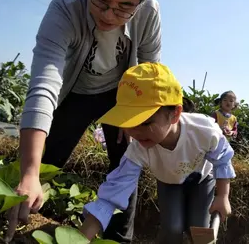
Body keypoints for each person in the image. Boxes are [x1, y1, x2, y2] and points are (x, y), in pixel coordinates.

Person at [5, 0, 160, 242]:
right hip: (76, 91)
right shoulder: (66, 7)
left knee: (127, 161)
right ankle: (17, 218)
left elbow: (151, 72)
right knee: (44, 162)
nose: (109, 15)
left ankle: (119, 238)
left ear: (141, 2)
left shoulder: (148, 13)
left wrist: (134, 114)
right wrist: (29, 173)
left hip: (122, 95)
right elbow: (44, 85)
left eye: (124, 7)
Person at [79, 63, 236, 243]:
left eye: (145, 123)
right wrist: (80, 239)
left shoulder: (203, 131)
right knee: (172, 228)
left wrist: (223, 195)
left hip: (201, 179)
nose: (135, 132)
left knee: (199, 229)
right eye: (128, 123)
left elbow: (222, 158)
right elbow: (112, 194)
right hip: (168, 181)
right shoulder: (138, 149)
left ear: (175, 113)